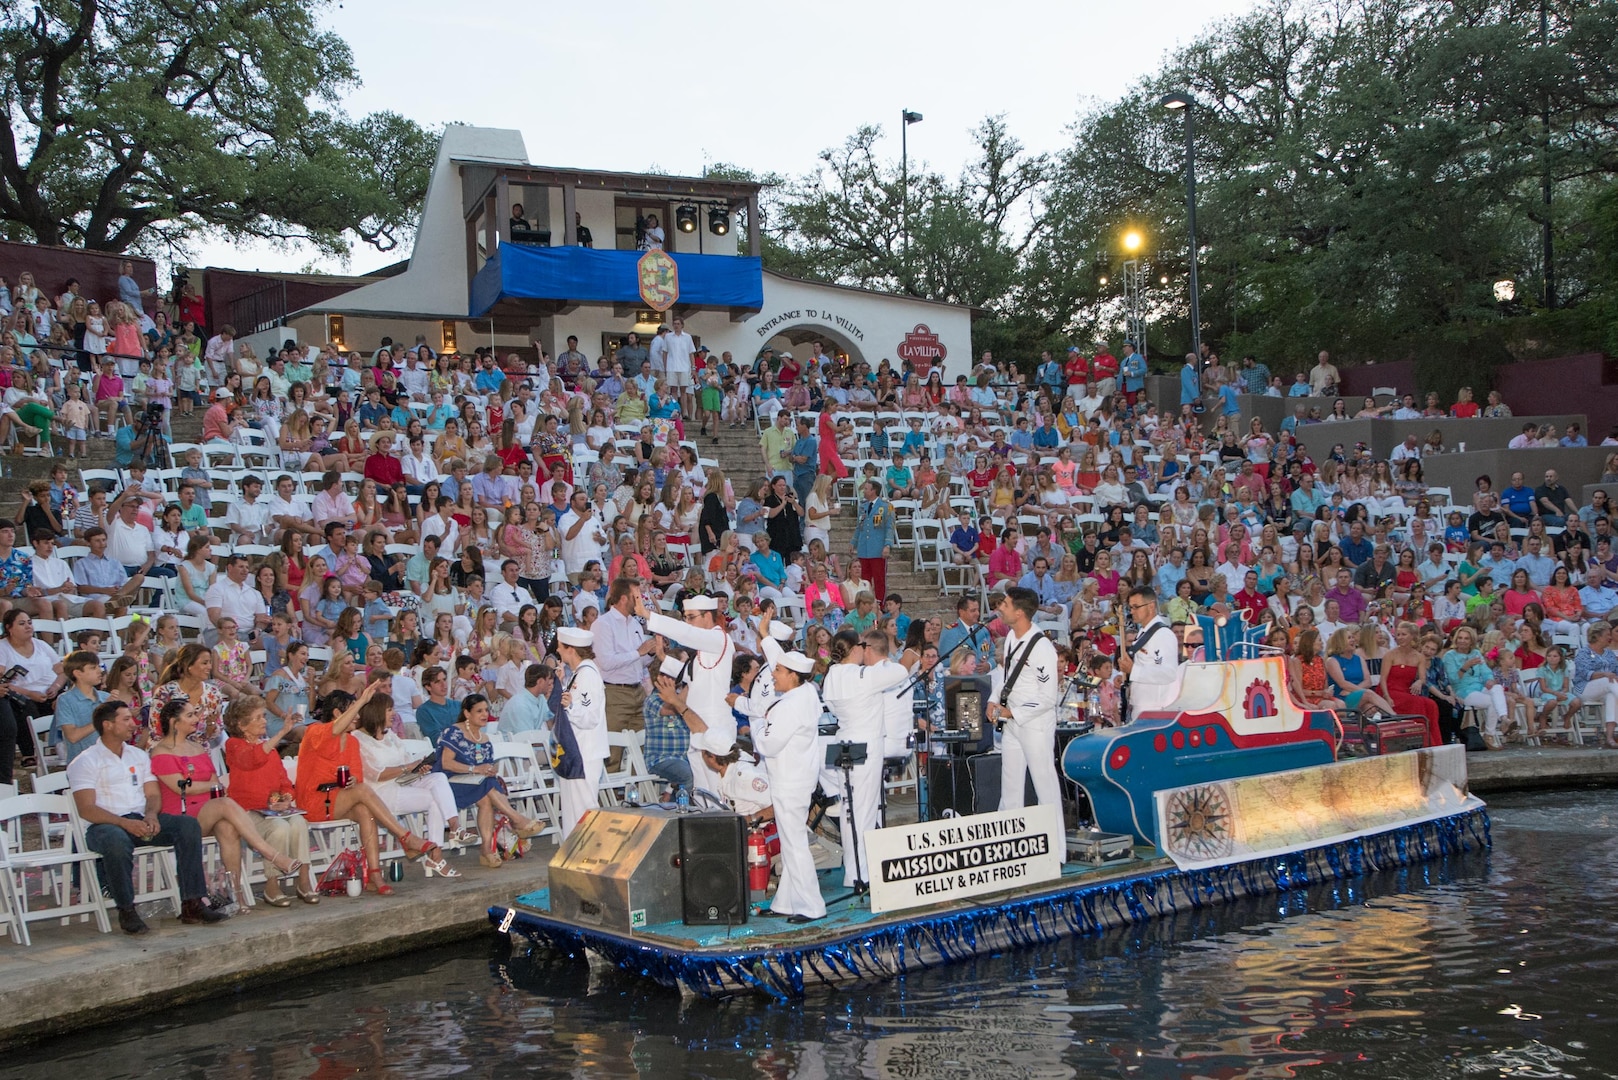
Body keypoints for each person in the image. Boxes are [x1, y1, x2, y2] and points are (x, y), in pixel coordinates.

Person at [69, 700, 228, 933]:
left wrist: (152, 816)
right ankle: (127, 910)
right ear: (108, 725)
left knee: (187, 826)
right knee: (116, 840)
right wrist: (125, 823)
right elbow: (87, 809)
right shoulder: (85, 761)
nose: (133, 725)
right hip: (104, 824)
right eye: (126, 719)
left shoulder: (138, 756)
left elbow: (152, 794)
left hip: (141, 818)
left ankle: (192, 902)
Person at [820, 627, 910, 891]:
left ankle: (854, 871)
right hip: (866, 745)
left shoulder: (831, 676)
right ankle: (864, 873)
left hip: (843, 743)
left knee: (850, 811)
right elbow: (900, 671)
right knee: (865, 810)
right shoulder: (862, 675)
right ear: (856, 648)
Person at [985, 587, 1064, 857]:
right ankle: (1007, 846)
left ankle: (1056, 851)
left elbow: (1047, 697)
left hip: (1035, 724)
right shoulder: (1009, 639)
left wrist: (1013, 713)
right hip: (1012, 723)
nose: (1000, 607)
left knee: (1045, 784)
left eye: (1005, 604)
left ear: (1019, 612)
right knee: (1010, 785)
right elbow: (1008, 678)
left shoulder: (1042, 647)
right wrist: (994, 699)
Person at [435, 692, 548, 865]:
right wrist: (475, 769)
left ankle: (487, 850)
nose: (484, 715)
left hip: (473, 782)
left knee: (487, 793)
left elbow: (483, 767)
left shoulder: (485, 739)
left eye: (486, 710)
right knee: (487, 786)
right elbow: (445, 763)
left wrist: (489, 770)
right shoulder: (454, 732)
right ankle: (516, 820)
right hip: (447, 781)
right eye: (479, 711)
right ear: (467, 713)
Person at [641, 591, 736, 794]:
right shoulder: (704, 648)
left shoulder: (719, 639)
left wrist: (649, 615)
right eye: (685, 618)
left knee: (718, 790)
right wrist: (662, 657)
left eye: (691, 617)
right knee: (701, 790)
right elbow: (690, 675)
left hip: (714, 726)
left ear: (708, 616)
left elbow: (688, 634)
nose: (687, 622)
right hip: (695, 726)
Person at [594, 578, 659, 770]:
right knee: (612, 751)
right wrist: (639, 652)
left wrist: (651, 654)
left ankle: (636, 793)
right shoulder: (602, 624)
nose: (640, 601)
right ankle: (608, 797)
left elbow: (639, 662)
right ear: (623, 598)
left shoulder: (634, 624)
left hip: (637, 690)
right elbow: (606, 662)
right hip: (615, 693)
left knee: (641, 749)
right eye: (636, 597)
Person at [552, 626, 609, 841]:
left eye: (561, 647)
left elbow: (589, 716)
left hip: (585, 752)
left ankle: (591, 853)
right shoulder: (578, 674)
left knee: (584, 809)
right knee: (573, 811)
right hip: (575, 751)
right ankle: (574, 854)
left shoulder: (588, 676)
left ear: (571, 650)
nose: (558, 651)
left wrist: (571, 707)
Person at [1116, 586, 1184, 720]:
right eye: (1130, 607)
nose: (1132, 611)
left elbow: (1168, 673)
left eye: (1136, 607)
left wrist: (1133, 670)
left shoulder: (1163, 635)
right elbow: (1143, 663)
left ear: (1151, 606)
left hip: (1155, 708)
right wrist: (1123, 674)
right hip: (1140, 704)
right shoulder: (1143, 633)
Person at [852, 479, 897, 604]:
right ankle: (865, 603)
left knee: (879, 579)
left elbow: (890, 528)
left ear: (873, 491)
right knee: (864, 580)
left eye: (866, 489)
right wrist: (853, 542)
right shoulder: (863, 506)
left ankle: (880, 605)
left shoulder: (886, 507)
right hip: (863, 549)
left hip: (877, 549)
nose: (864, 491)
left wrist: (887, 545)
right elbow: (859, 526)